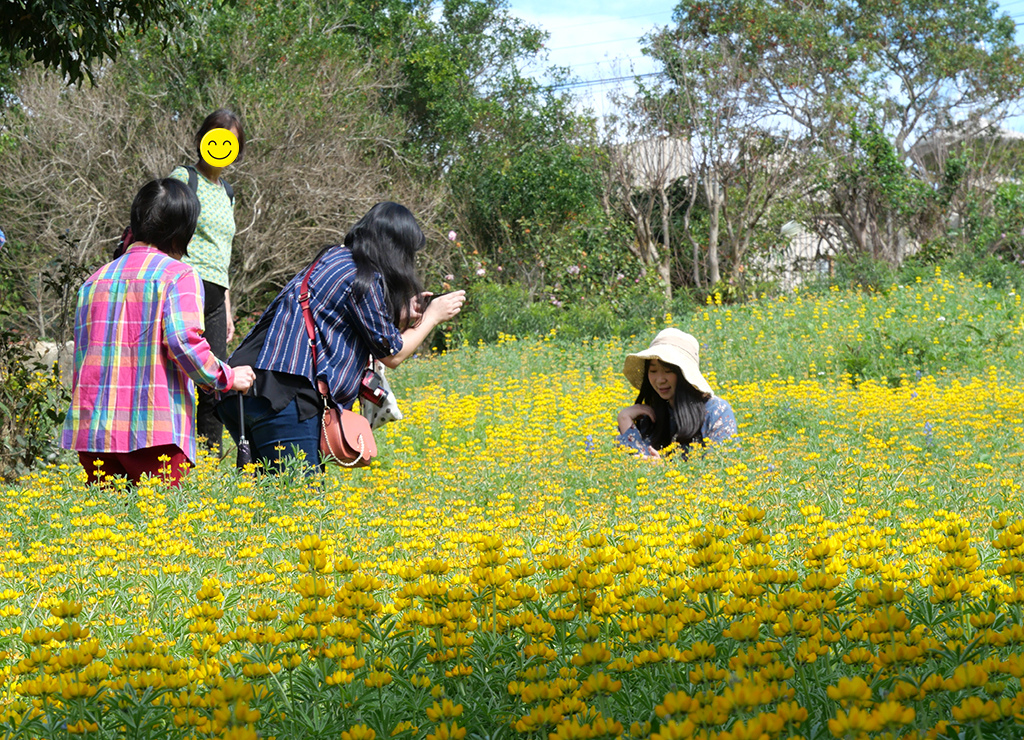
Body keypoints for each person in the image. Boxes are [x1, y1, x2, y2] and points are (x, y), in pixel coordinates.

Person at [218, 201, 465, 472]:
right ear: (395, 249)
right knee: (300, 502)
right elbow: (393, 353)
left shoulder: (334, 258)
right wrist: (433, 316)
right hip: (283, 393)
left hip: (243, 386)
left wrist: (402, 313)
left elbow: (343, 321)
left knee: (269, 502)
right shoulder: (365, 278)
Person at [60, 179, 255, 486]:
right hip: (154, 432)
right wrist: (228, 378)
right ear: (183, 230)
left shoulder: (93, 281)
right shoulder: (179, 276)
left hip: (94, 432)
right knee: (160, 526)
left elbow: (82, 357)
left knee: (105, 529)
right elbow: (184, 343)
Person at [169, 109, 245, 454]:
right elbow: (165, 231)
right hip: (185, 287)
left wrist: (227, 309)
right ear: (203, 139)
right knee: (181, 375)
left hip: (216, 295)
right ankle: (172, 454)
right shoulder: (184, 178)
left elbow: (223, 253)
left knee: (216, 381)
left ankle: (209, 460)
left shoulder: (228, 192)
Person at [616, 328, 737, 458]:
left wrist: (665, 470)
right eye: (653, 371)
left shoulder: (716, 411)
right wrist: (624, 418)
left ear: (686, 374)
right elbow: (630, 469)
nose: (660, 380)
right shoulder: (649, 416)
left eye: (668, 371)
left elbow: (724, 464)